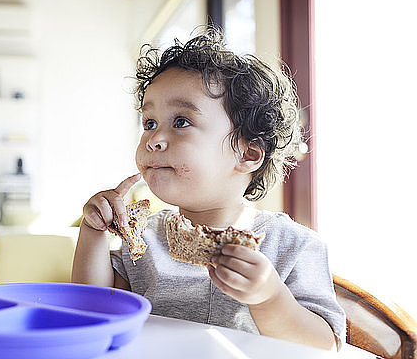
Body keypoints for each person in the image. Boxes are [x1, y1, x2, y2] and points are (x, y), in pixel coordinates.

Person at [71, 27, 345, 351]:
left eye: (181, 122)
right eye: (149, 123)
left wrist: (268, 296)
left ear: (247, 154)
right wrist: (94, 231)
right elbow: (94, 310)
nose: (153, 139)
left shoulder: (293, 245)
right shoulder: (144, 240)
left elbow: (324, 344)